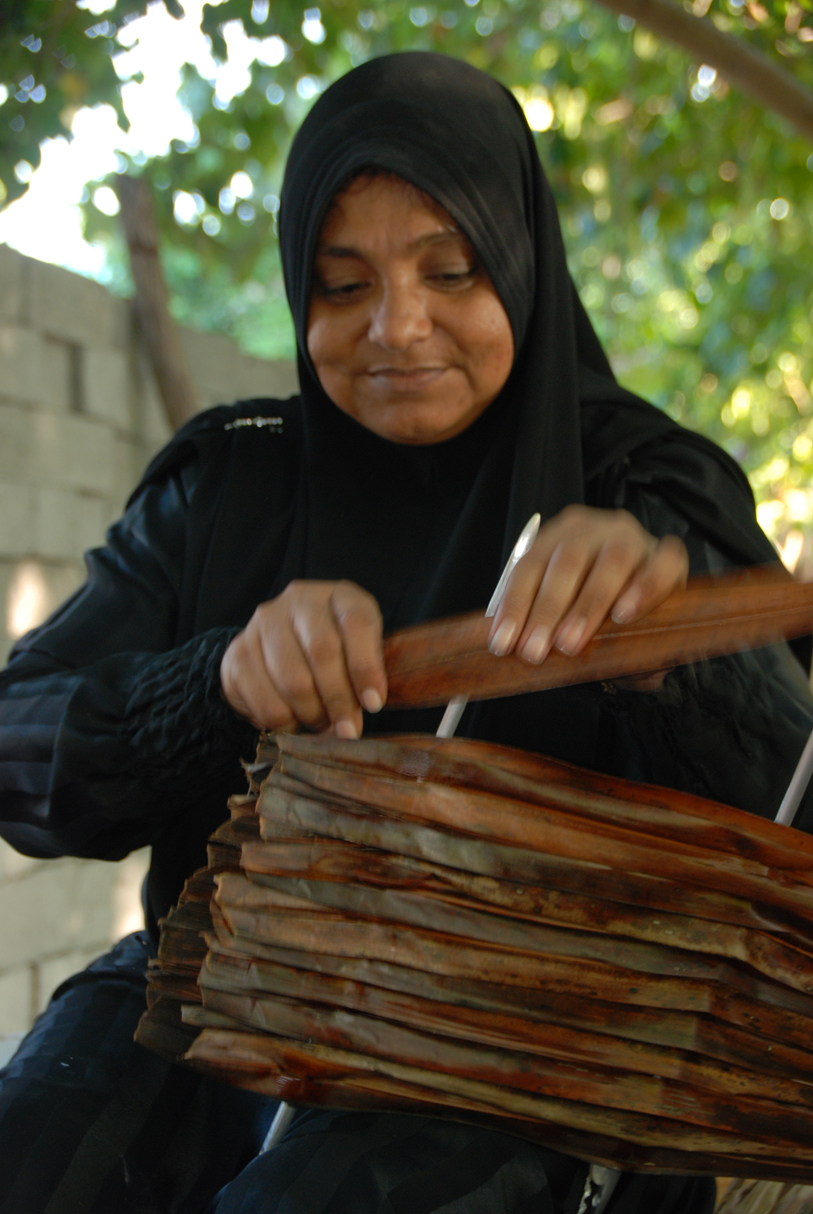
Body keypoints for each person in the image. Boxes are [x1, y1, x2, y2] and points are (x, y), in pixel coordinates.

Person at [0, 50, 811, 1214]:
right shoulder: (226, 483)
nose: (399, 327)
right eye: (343, 285)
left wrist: (666, 645)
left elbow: (792, 811)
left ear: (522, 270)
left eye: (452, 271)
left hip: (547, 1045)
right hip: (230, 979)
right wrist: (217, 680)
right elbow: (18, 752)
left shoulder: (647, 486)